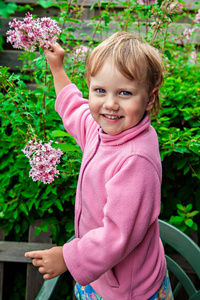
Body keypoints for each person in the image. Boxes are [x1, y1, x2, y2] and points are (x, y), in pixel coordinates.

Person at [25, 32, 173, 300]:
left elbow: (118, 236)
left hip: (128, 291)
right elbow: (73, 108)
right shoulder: (104, 128)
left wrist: (67, 257)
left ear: (150, 99)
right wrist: (57, 67)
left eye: (125, 93)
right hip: (99, 273)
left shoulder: (135, 160)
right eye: (100, 90)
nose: (110, 104)